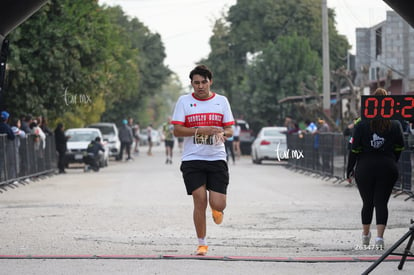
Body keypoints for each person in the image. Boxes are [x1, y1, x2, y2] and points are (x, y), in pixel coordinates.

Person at [171, 65, 235, 256]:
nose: (200, 86)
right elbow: (177, 130)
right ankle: (202, 243)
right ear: (191, 84)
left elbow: (231, 130)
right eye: (196, 83)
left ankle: (218, 210)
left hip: (216, 158)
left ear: (210, 82)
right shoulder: (184, 102)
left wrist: (223, 133)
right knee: (200, 200)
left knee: (218, 203)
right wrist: (201, 130)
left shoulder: (221, 101)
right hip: (193, 158)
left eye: (203, 82)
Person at [346, 88, 405, 250]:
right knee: (381, 203)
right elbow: (400, 146)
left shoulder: (361, 123)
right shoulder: (395, 123)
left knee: (367, 203)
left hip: (365, 167)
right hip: (388, 167)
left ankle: (365, 236)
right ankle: (379, 238)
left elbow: (354, 149)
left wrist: (349, 170)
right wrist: (393, 160)